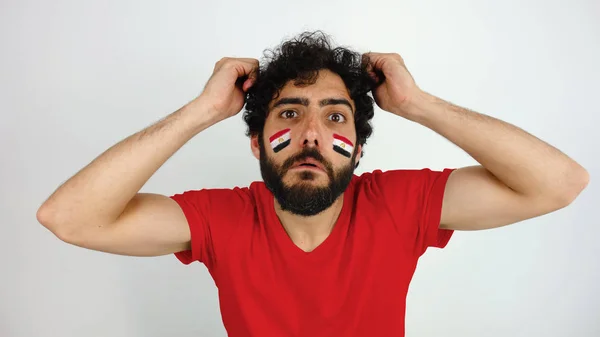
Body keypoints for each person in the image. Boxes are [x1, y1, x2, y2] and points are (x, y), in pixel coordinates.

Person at [36, 31, 589, 336]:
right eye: (289, 114)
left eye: (335, 117)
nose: (310, 136)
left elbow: (559, 183)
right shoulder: (221, 219)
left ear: (359, 148)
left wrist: (418, 104)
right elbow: (68, 217)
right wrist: (202, 111)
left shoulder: (398, 204)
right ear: (256, 142)